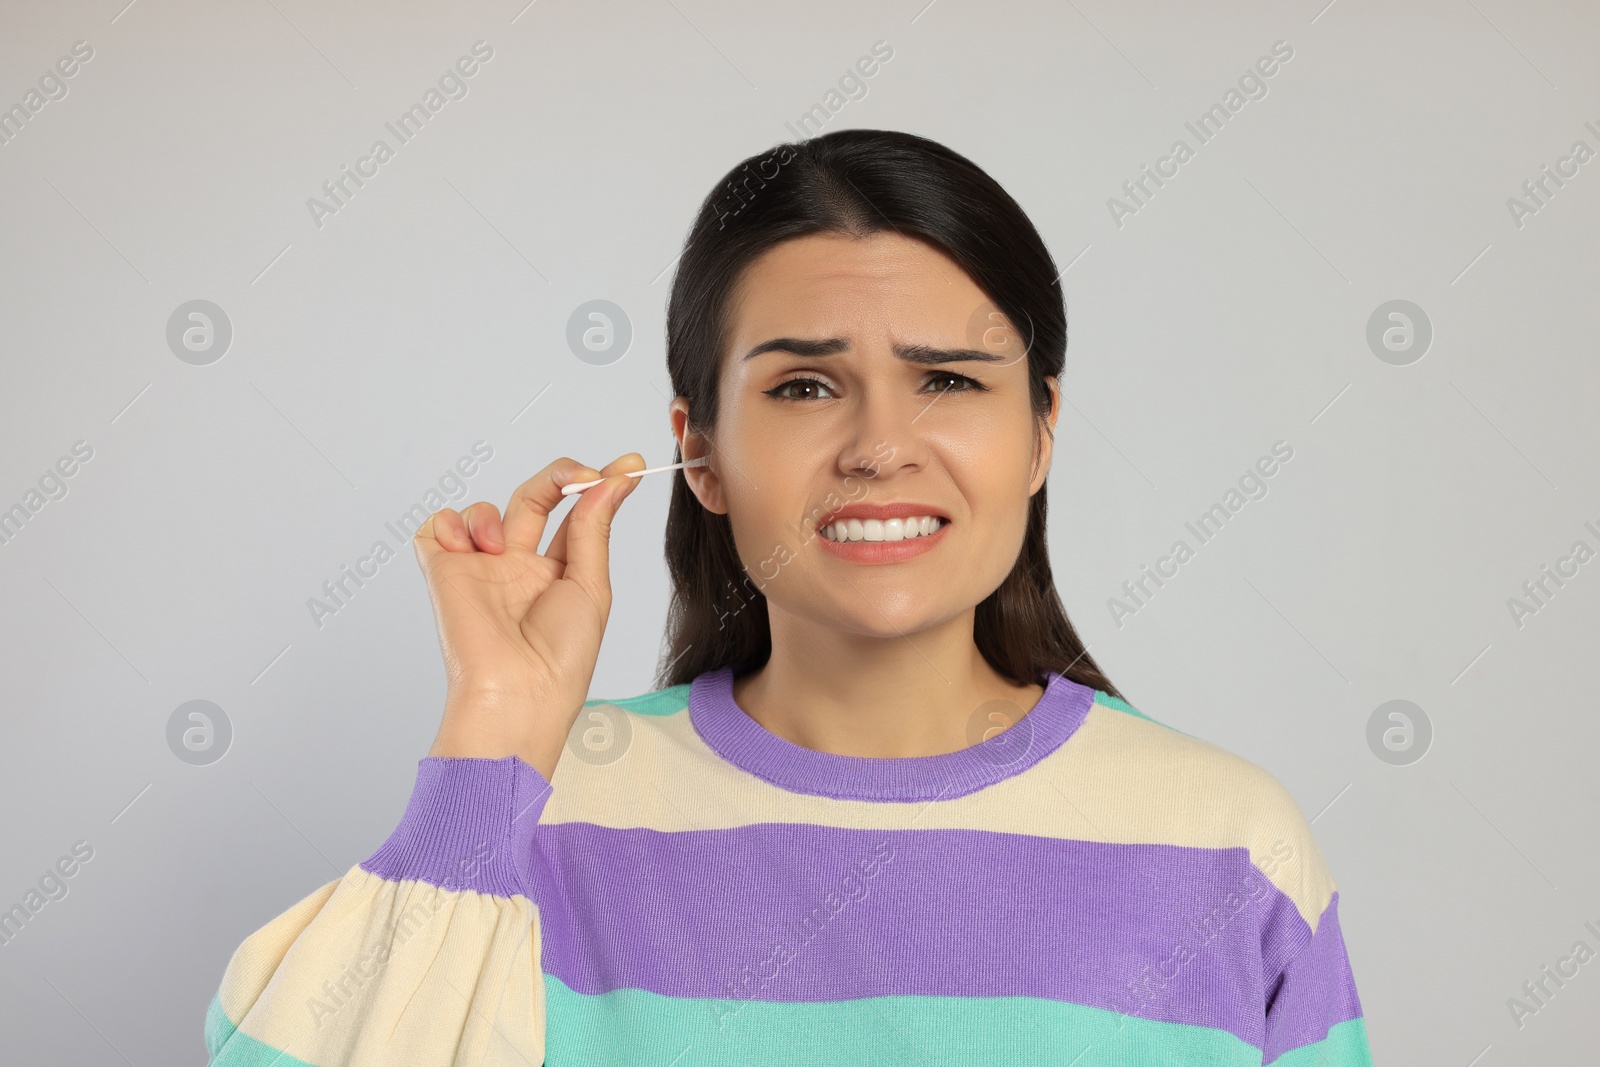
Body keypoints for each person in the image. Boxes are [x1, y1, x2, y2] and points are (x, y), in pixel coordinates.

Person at [202, 129, 1374, 1065]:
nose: (879, 444)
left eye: (950, 380)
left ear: (1039, 433)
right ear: (699, 452)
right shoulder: (538, 809)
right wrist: (496, 726)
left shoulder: (1229, 844)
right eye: (807, 385)